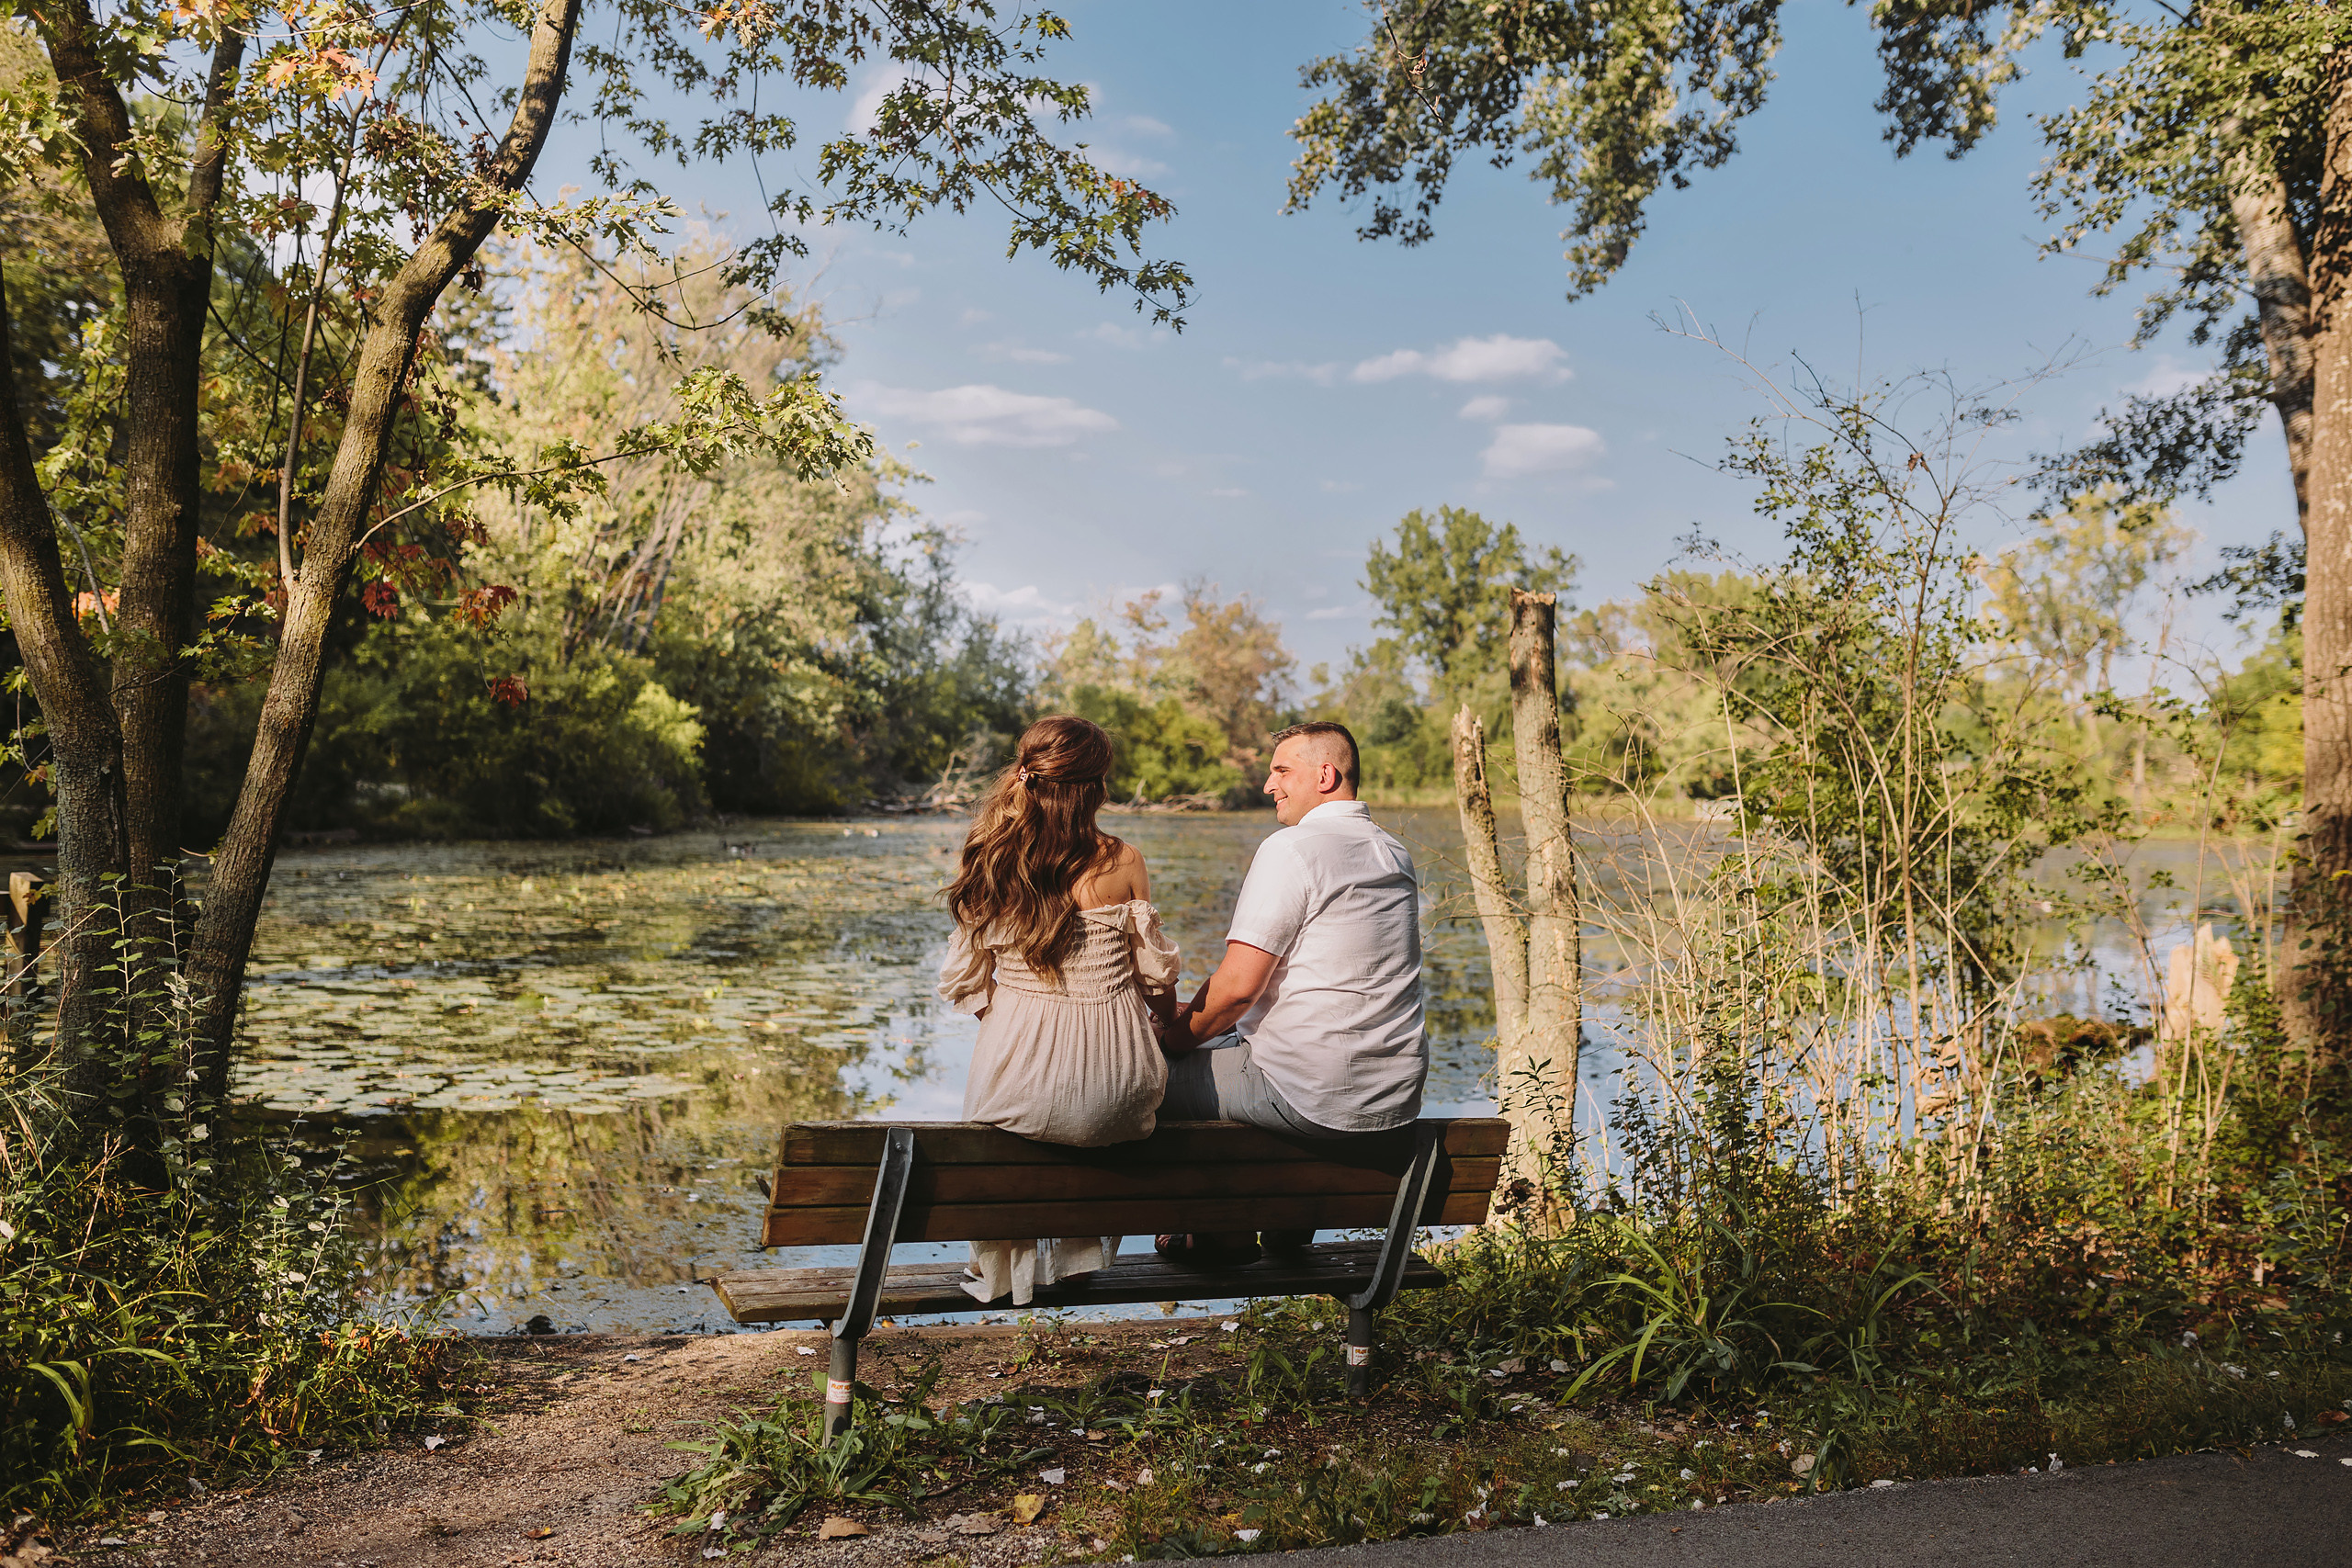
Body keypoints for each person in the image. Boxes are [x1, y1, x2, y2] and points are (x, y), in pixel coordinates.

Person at [1157, 720, 1428, 1264]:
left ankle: (1221, 1234)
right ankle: (1287, 1218)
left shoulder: (1293, 848)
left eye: (1282, 770)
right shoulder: (1392, 852)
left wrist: (1171, 1039)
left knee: (1142, 1082)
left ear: (1325, 776)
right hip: (1394, 1095)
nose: (1268, 785)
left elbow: (1238, 989)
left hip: (1312, 1095)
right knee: (1234, 1046)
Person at [937, 715, 1181, 1303]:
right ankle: (1080, 1261)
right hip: (1116, 1095)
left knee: (1014, 1103)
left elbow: (968, 985)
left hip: (1012, 1088)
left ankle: (1006, 1272)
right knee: (1156, 1085)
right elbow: (1156, 983)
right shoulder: (1124, 861)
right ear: (1095, 787)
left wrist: (1019, 1027)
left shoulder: (989, 859)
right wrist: (1163, 1025)